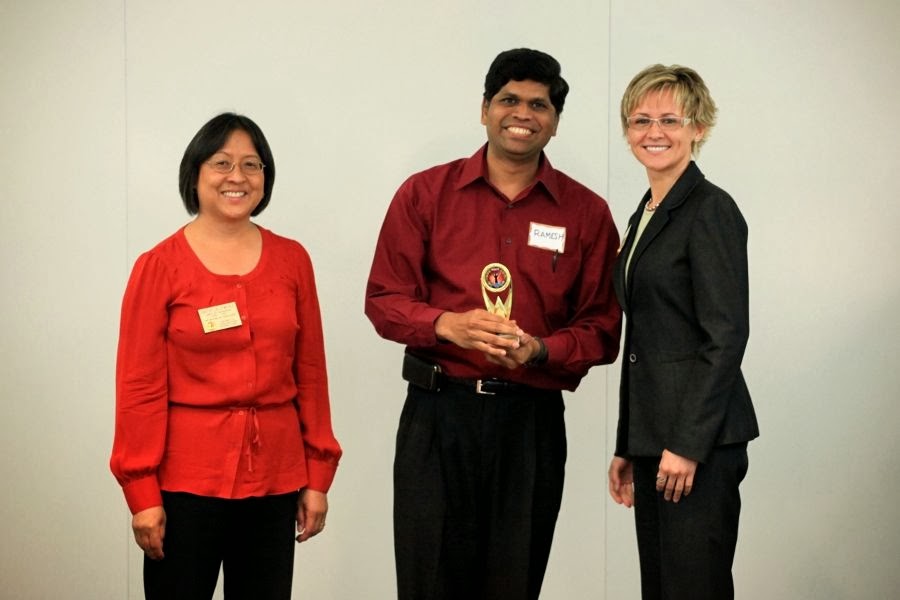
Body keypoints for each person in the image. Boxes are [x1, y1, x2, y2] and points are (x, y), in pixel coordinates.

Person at [365, 48, 621, 599]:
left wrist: (540, 351)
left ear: (555, 121)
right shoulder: (424, 194)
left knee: (513, 581)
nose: (522, 113)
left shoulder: (586, 213)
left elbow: (602, 329)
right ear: (484, 109)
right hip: (438, 417)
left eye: (539, 104)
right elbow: (384, 299)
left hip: (529, 425)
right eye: (508, 99)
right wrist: (446, 325)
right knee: (430, 582)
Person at [110, 113, 342, 599]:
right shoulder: (159, 266)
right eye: (221, 163)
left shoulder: (293, 260)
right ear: (195, 174)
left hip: (275, 478)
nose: (237, 176)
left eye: (251, 164)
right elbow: (139, 387)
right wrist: (141, 492)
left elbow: (311, 373)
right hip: (185, 482)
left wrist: (318, 475)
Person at [607, 65, 760, 599]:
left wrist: (687, 445)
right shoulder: (646, 213)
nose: (654, 132)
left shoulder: (711, 209)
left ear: (699, 127)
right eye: (641, 120)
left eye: (670, 119)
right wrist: (631, 442)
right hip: (657, 440)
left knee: (694, 588)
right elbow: (646, 342)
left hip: (699, 444)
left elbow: (726, 336)